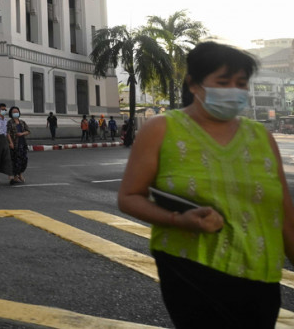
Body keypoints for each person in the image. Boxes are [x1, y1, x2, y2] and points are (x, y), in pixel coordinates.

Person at [118, 42, 294, 328]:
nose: (234, 90)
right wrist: (178, 219)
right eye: (223, 82)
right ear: (194, 84)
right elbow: (129, 196)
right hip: (192, 269)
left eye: (241, 83)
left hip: (261, 271)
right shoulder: (161, 129)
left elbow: (285, 213)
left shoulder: (262, 137)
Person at [7, 106, 30, 184]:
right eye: (14, 112)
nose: (15, 113)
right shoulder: (10, 122)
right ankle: (16, 176)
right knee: (16, 160)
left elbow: (28, 131)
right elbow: (8, 133)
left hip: (22, 143)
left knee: (23, 160)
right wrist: (11, 143)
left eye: (17, 111)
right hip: (15, 144)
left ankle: (20, 174)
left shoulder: (22, 122)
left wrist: (22, 133)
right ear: (11, 113)